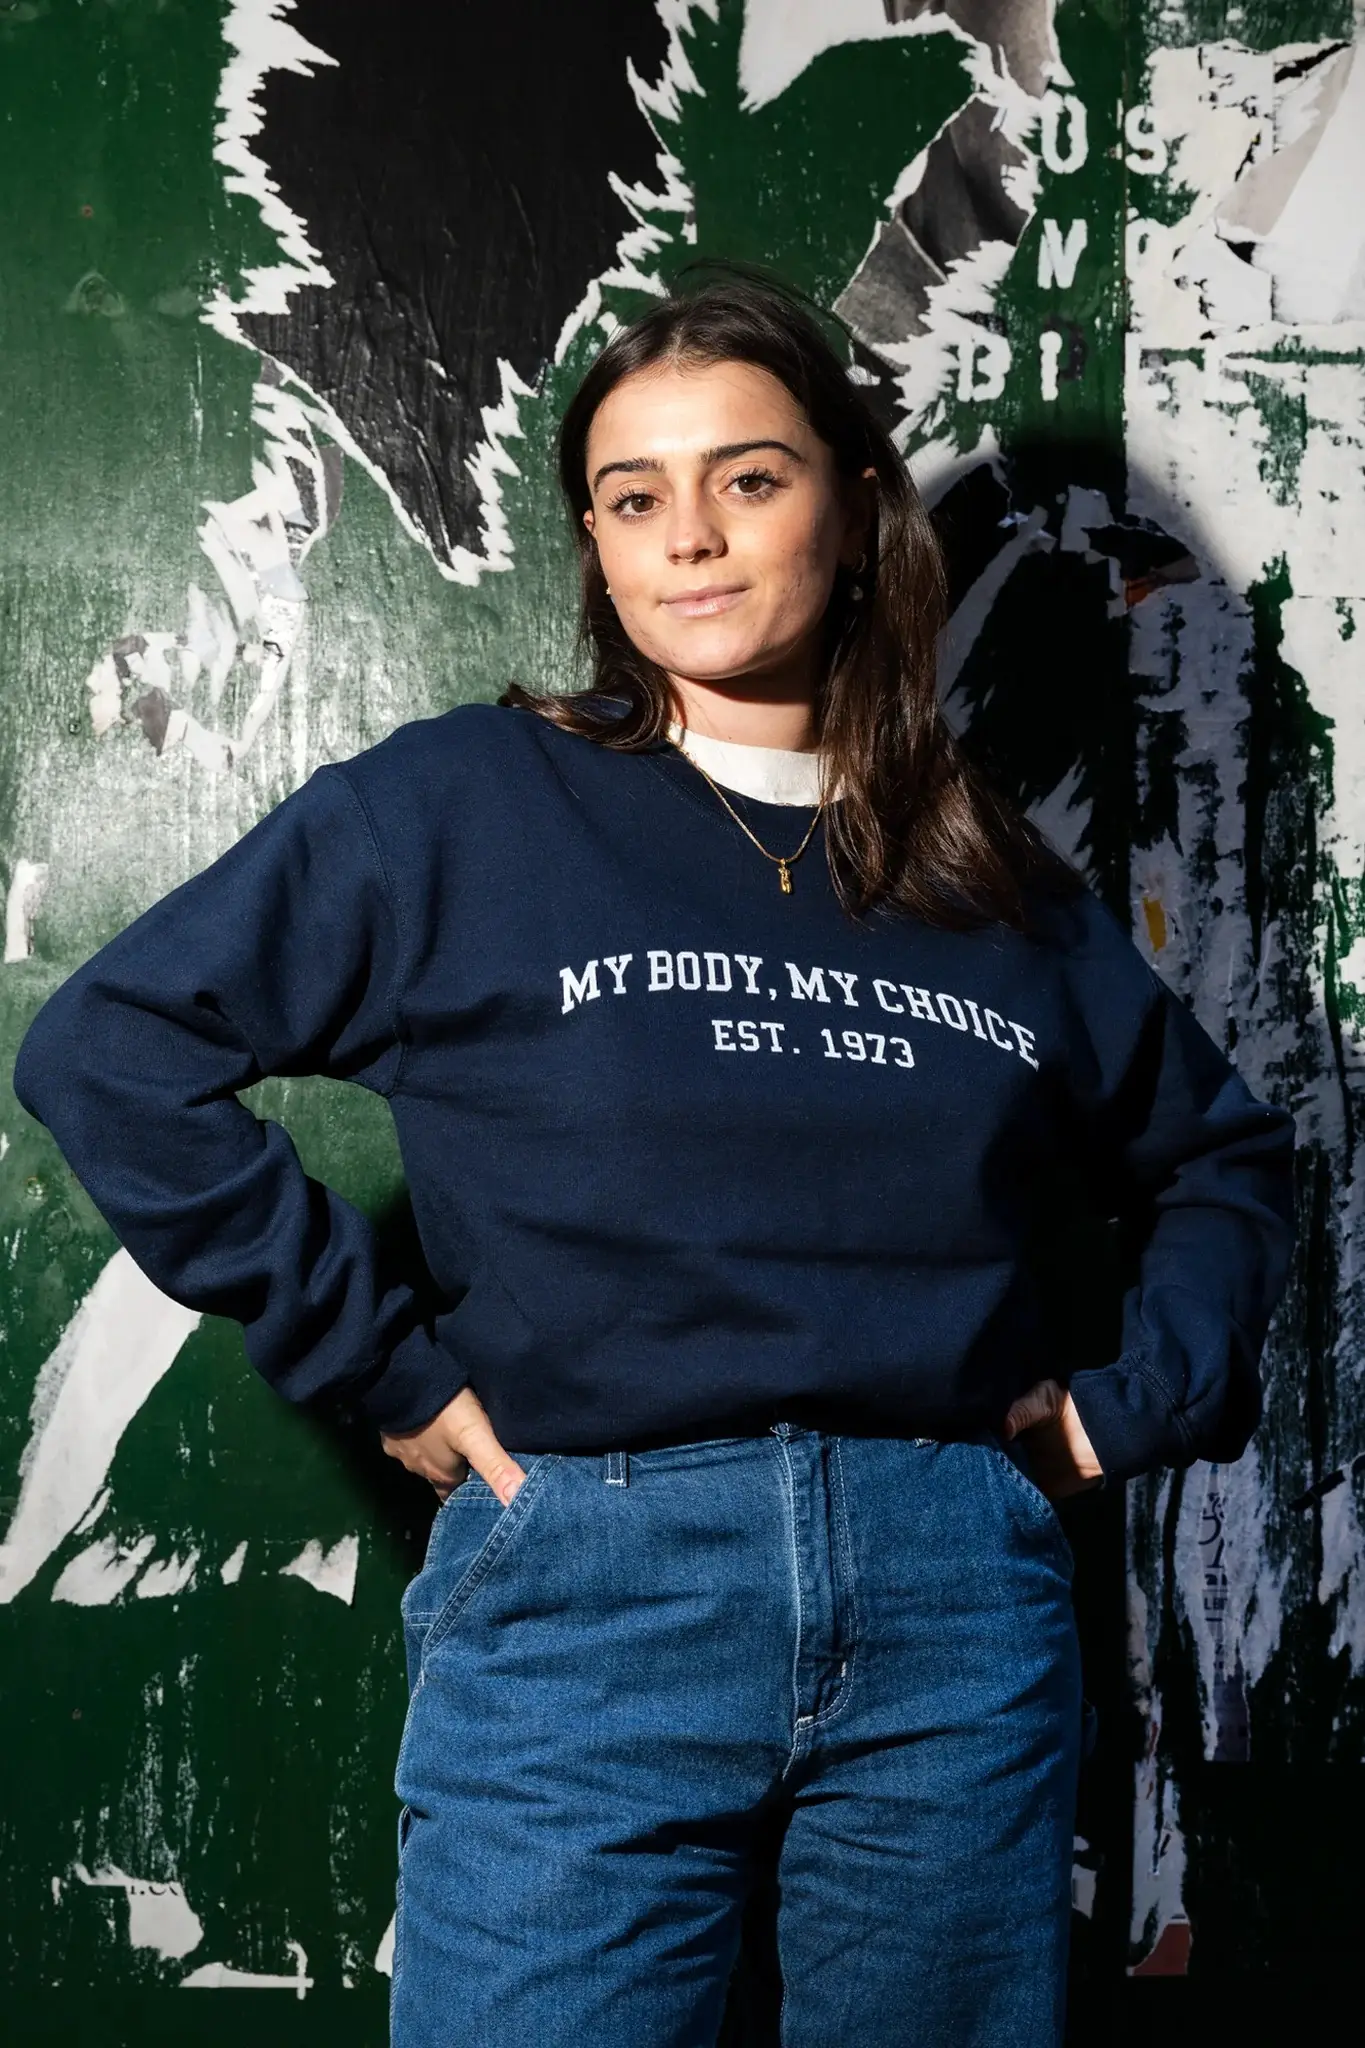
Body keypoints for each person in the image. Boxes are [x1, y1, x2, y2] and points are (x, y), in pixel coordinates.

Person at [12, 265, 1297, 2046]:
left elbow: (1226, 1157)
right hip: (591, 1584)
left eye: (748, 479)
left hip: (954, 1599)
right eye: (634, 498)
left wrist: (1121, 1412)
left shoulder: (990, 879)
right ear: (598, 551)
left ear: (856, 509)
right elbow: (108, 1049)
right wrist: (374, 1358)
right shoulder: (465, 804)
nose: (689, 536)